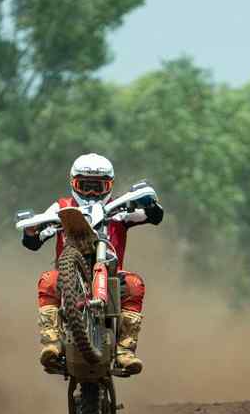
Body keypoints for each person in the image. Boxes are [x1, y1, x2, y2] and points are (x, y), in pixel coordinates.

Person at [21, 153, 163, 374]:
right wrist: (31, 230)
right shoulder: (62, 207)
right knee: (48, 280)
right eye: (85, 187)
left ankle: (125, 349)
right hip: (69, 276)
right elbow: (33, 240)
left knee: (134, 284)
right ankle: (51, 340)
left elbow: (153, 216)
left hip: (112, 273)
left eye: (98, 187)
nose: (91, 194)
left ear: (109, 186)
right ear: (73, 184)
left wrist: (149, 204)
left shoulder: (118, 208)